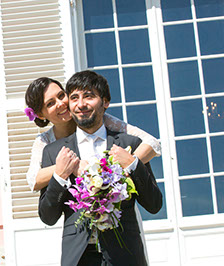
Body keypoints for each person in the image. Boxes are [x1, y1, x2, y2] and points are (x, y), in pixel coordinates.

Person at [37, 71, 163, 266]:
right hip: (79, 257)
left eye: (89, 96)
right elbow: (48, 216)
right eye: (74, 98)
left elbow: (154, 205)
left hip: (125, 256)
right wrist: (60, 176)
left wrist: (132, 164)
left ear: (105, 102)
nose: (81, 104)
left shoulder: (129, 144)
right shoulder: (54, 152)